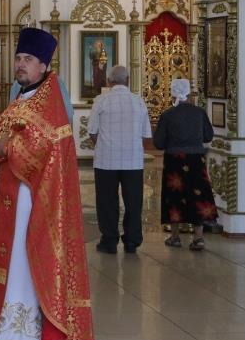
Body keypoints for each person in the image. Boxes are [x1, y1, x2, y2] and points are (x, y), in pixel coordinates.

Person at [0, 27, 94, 340]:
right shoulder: (22, 98)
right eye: (18, 58)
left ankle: (30, 336)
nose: (20, 64)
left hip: (35, 197)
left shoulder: (49, 100)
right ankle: (9, 331)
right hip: (13, 193)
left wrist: (7, 147)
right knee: (13, 258)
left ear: (43, 65)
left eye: (28, 59)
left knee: (28, 258)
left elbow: (38, 146)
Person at [87, 65, 152, 254]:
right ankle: (132, 241)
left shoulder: (101, 101)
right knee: (133, 201)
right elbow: (146, 134)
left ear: (109, 81)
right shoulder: (138, 102)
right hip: (133, 161)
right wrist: (132, 146)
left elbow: (92, 131)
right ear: (128, 80)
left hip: (106, 160)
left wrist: (104, 145)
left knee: (107, 201)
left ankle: (109, 241)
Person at [153, 78, 217, 251]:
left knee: (174, 197)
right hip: (196, 159)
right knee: (197, 196)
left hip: (174, 161)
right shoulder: (199, 113)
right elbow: (208, 136)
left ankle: (175, 237)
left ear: (173, 93)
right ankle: (198, 237)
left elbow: (158, 142)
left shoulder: (167, 115)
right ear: (189, 93)